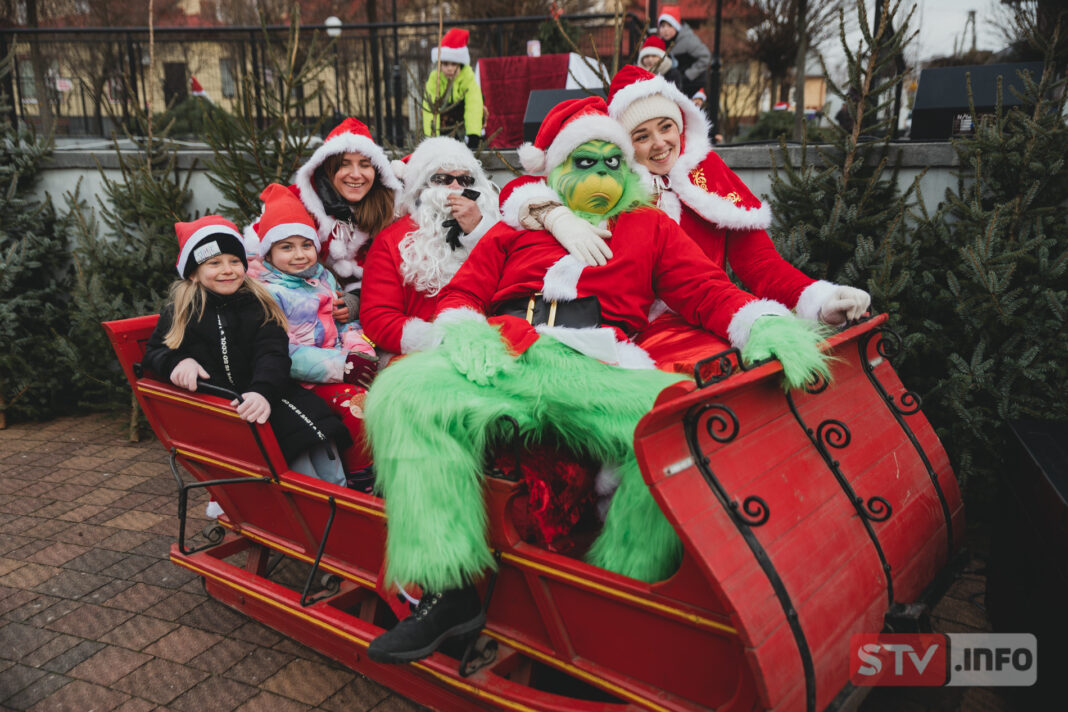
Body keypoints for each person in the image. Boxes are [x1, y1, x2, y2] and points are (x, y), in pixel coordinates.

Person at [363, 96, 830, 664]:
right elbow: (466, 292)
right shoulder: (515, 230)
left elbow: (709, 291)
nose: (601, 173)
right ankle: (448, 589)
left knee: (679, 428)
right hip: (506, 351)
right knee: (400, 394)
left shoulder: (650, 228)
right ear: (559, 170)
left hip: (595, 365)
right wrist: (460, 327)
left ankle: (618, 597)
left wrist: (764, 326)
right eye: (585, 161)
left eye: (612, 161)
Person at [504, 65, 870, 372]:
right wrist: (552, 214)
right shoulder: (608, 183)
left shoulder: (709, 177)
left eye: (666, 127)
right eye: (641, 136)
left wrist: (822, 300)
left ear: (682, 124)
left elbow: (761, 265)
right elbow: (520, 189)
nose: (660, 143)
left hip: (701, 313)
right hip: (620, 322)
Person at [144, 216, 352, 489]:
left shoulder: (257, 304)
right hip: (223, 407)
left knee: (315, 432)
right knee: (293, 453)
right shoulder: (183, 311)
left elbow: (273, 353)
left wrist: (262, 390)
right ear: (193, 273)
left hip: (267, 393)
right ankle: (312, 504)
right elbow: (156, 349)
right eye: (214, 263)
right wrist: (178, 362)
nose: (227, 270)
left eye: (234, 261)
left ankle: (340, 495)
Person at [252, 184, 380, 486]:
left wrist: (361, 354)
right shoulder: (269, 292)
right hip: (301, 380)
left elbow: (345, 324)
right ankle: (361, 477)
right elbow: (282, 352)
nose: (299, 255)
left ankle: (391, 461)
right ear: (269, 253)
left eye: (305, 245)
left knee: (390, 393)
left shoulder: (322, 278)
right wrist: (342, 365)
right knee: (357, 404)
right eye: (287, 247)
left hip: (341, 366)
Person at [359, 136, 500, 357]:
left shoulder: (495, 234)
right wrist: (438, 341)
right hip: (421, 357)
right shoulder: (391, 241)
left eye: (465, 180)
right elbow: (378, 316)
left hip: (489, 348)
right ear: (421, 186)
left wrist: (478, 232)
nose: (455, 187)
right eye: (442, 179)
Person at [259, 117, 402, 307]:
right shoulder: (299, 203)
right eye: (344, 164)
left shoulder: (390, 210)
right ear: (327, 167)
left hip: (369, 304)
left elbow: (390, 275)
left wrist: (357, 300)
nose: (356, 174)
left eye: (365, 165)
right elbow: (262, 259)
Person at [422, 28, 485, 149]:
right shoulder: (435, 78)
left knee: (479, 101)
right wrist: (431, 135)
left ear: (460, 64)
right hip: (444, 121)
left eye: (453, 64)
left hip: (462, 120)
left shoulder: (468, 77)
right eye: (445, 64)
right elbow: (429, 107)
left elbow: (474, 105)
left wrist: (473, 135)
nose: (449, 69)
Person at [657, 5, 711, 97]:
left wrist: (688, 75)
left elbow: (705, 57)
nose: (665, 30)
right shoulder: (661, 44)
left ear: (676, 27)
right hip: (674, 86)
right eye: (662, 26)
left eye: (669, 26)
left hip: (692, 86)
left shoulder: (688, 40)